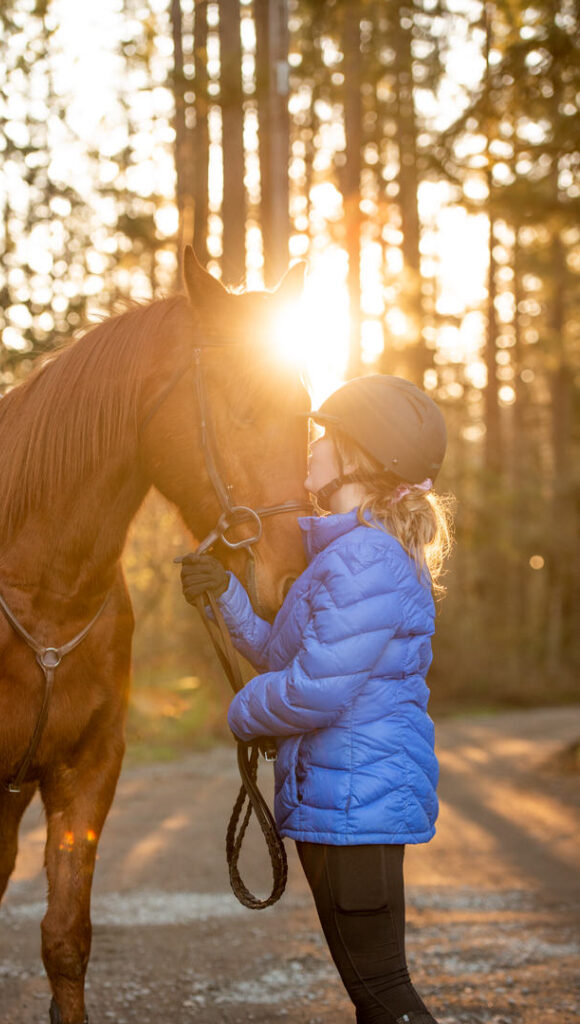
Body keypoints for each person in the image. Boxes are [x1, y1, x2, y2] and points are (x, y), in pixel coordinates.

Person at [180, 374, 454, 1024]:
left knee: (385, 994)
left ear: (359, 457)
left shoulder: (364, 560)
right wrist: (224, 596)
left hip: (355, 811)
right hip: (342, 805)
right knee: (374, 996)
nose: (311, 448)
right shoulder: (349, 557)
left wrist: (241, 713)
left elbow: (314, 688)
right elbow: (286, 654)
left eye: (325, 437)